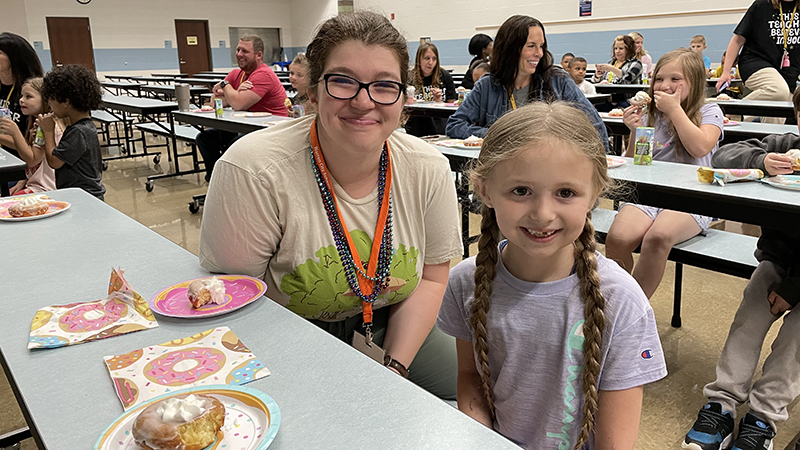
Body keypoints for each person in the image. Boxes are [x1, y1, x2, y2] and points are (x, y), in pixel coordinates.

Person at [198, 11, 463, 399]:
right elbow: (238, 304)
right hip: (289, 327)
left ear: (402, 96)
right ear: (314, 90)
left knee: (474, 394)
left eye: (384, 86)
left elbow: (432, 279)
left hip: (392, 317)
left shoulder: (428, 168)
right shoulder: (254, 171)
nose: (363, 101)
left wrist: (394, 367)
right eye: (342, 81)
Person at [437, 102, 667, 449]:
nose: (543, 214)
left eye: (565, 193)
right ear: (484, 190)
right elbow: (470, 377)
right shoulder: (465, 282)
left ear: (594, 193)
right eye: (520, 191)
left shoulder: (621, 301)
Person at [681, 87, 800, 450]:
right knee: (751, 307)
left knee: (796, 336)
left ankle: (763, 417)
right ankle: (722, 402)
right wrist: (763, 160)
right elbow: (725, 155)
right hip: (781, 258)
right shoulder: (786, 142)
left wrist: (792, 291)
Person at [605, 48, 724, 299]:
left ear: (694, 82)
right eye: (659, 79)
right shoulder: (650, 114)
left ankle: (630, 311)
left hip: (693, 196)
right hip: (652, 194)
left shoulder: (711, 112)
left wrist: (675, 111)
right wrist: (634, 131)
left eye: (675, 79)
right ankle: (617, 301)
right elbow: (634, 161)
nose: (665, 85)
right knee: (617, 238)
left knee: (657, 238)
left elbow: (700, 146)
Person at [445, 15, 609, 153]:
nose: (538, 53)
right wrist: (498, 134)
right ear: (510, 48)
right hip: (503, 170)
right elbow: (455, 125)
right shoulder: (488, 85)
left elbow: (596, 127)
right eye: (531, 46)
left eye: (541, 46)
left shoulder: (559, 81)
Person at [197, 34, 288, 181]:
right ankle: (216, 180)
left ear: (259, 55)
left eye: (244, 51)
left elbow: (238, 104)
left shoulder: (264, 74)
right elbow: (215, 101)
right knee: (205, 138)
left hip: (271, 130)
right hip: (248, 126)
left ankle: (230, 182)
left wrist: (226, 87)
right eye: (238, 50)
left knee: (235, 145)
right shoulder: (236, 74)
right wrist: (236, 92)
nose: (239, 54)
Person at [716, 0, 797, 124]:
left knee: (779, 106)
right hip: (755, 62)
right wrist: (726, 71)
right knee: (778, 90)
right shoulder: (762, 5)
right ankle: (732, 111)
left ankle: (769, 139)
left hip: (788, 69)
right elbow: (737, 40)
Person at [40, 64, 105, 200]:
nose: (49, 104)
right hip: (85, 195)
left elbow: (54, 162)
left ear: (66, 102)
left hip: (84, 197)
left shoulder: (78, 132)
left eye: (51, 99)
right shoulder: (86, 126)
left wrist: (48, 131)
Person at [0, 77, 60, 195]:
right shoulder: (36, 123)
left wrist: (15, 132)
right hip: (35, 184)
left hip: (45, 189)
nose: (21, 100)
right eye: (22, 96)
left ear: (45, 99)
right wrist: (22, 181)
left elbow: (32, 160)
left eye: (28, 96)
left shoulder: (44, 126)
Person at [0, 32, 44, 187]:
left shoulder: (30, 91)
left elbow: (34, 146)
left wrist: (25, 178)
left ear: (14, 58)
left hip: (22, 166)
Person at [405, 42, 456, 137]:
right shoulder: (409, 78)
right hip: (417, 125)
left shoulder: (445, 76)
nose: (431, 63)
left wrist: (439, 101)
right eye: (427, 58)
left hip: (440, 125)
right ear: (419, 59)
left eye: (434, 59)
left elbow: (453, 106)